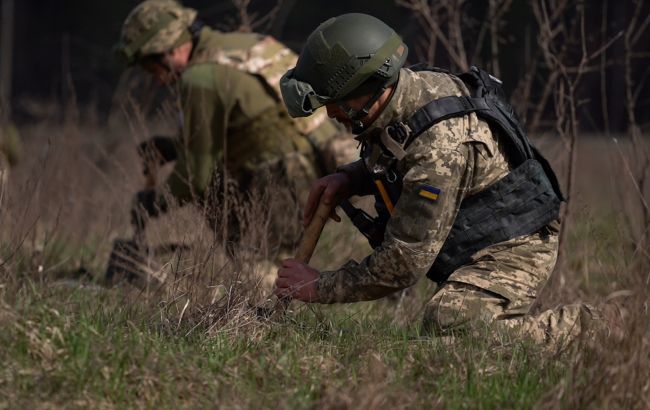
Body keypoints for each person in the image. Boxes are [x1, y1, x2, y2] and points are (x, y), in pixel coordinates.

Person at [275, 13, 619, 348]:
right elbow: (397, 156)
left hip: (514, 244)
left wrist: (319, 286)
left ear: (368, 87)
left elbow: (403, 263)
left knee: (453, 326)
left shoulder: (438, 147)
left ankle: (603, 327)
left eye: (335, 103)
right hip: (476, 234)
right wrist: (351, 177)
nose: (331, 113)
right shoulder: (404, 94)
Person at [113, 1, 354, 281]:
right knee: (272, 265)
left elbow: (196, 175)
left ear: (172, 48)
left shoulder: (199, 78)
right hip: (319, 166)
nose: (157, 79)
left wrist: (155, 203)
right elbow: (250, 124)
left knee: (262, 272)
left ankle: (265, 318)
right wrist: (174, 148)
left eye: (151, 66)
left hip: (283, 178)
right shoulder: (244, 45)